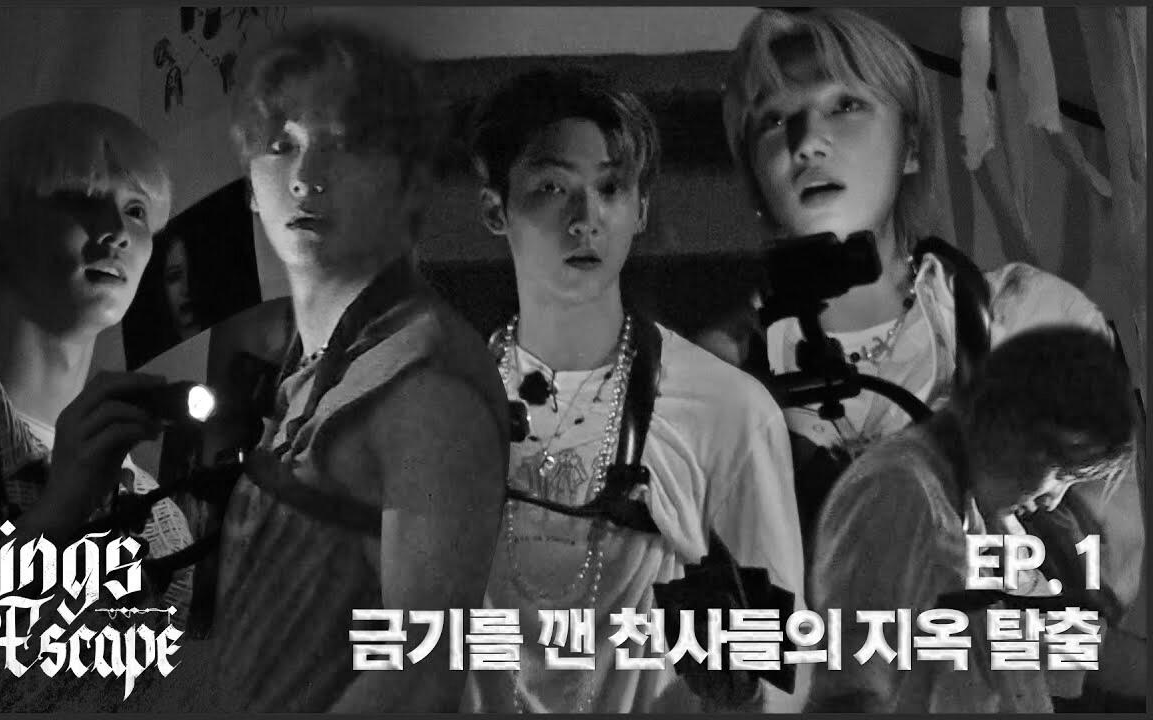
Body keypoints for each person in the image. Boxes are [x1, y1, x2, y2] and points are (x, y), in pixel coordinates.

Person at [721, 7, 1143, 631]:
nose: (806, 141)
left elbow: (1102, 604)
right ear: (755, 179)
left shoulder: (1030, 322)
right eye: (774, 120)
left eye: (845, 106)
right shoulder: (713, 377)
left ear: (911, 145)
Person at [462, 66, 806, 713]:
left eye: (610, 187)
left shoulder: (725, 410)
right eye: (551, 187)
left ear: (641, 208)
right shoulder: (443, 411)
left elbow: (782, 677)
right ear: (494, 210)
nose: (585, 218)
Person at [203, 21, 509, 712]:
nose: (306, 179)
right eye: (281, 146)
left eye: (342, 145)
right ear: (249, 183)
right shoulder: (307, 363)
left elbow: (423, 673)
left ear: (409, 183)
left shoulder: (425, 390)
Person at [0, 101, 194, 710]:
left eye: (136, 210)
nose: (117, 231)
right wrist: (59, 512)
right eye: (80, 196)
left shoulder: (159, 516)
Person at [807, 326, 1137, 712]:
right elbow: (854, 690)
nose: (1053, 500)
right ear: (1017, 434)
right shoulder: (899, 491)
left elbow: (1060, 643)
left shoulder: (979, 513)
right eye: (1062, 473)